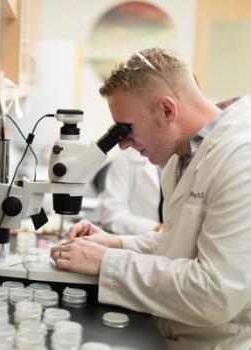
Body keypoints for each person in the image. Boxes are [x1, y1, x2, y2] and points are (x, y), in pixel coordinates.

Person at [50, 48, 251, 349]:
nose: (124, 144)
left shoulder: (240, 158)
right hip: (170, 331)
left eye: (126, 129)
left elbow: (214, 292)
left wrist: (107, 262)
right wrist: (115, 243)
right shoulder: (182, 155)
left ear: (167, 110)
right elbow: (180, 243)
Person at [99, 147, 162, 235]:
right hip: (141, 241)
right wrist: (159, 228)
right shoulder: (128, 155)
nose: (122, 145)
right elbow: (112, 215)